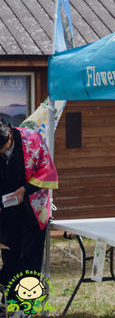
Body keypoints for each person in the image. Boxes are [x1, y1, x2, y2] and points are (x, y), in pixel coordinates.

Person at [0, 122, 58, 289]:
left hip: (33, 207)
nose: (2, 152)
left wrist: (25, 190)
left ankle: (27, 307)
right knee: (10, 258)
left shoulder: (31, 139)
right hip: (6, 211)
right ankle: (10, 305)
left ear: (9, 135)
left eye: (3, 147)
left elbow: (47, 170)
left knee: (31, 259)